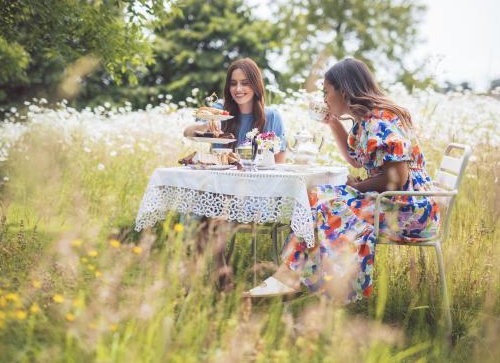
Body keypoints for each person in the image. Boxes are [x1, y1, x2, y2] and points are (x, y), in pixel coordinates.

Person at [245, 58, 440, 302]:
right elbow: (357, 160)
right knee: (316, 196)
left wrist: (357, 186)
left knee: (326, 203)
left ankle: (310, 283)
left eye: (327, 92)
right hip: (393, 201)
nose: (325, 99)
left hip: (409, 210)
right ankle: (293, 277)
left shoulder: (380, 121)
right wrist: (334, 123)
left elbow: (397, 177)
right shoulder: (366, 121)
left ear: (344, 92)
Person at [184, 58, 286, 161]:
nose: (238, 89)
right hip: (219, 176)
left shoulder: (272, 117)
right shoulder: (220, 111)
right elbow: (187, 132)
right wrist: (206, 126)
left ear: (256, 85)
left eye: (245, 83)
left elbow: (278, 163)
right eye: (233, 83)